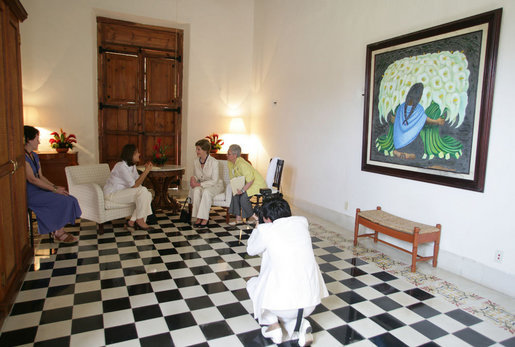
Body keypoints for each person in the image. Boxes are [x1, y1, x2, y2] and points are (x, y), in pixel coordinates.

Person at [246, 198, 328, 346]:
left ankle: (272, 325)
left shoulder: (267, 229)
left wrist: (258, 226)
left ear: (267, 219)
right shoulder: (302, 223)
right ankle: (300, 326)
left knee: (252, 284)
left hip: (282, 305)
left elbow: (251, 249)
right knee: (289, 303)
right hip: (310, 302)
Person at [24, 125, 82, 243]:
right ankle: (59, 233)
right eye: (37, 139)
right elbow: (32, 180)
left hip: (40, 188)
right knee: (61, 200)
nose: (39, 142)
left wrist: (55, 187)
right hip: (30, 193)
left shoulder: (34, 156)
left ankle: (58, 230)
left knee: (69, 198)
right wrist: (54, 190)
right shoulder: (23, 158)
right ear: (29, 140)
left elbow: (41, 177)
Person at [103, 144, 154, 230]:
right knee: (143, 191)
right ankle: (140, 220)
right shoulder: (121, 166)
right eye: (137, 152)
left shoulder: (132, 165)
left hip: (123, 193)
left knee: (147, 194)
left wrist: (145, 171)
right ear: (131, 155)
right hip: (112, 195)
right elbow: (134, 185)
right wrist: (146, 171)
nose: (139, 154)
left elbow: (138, 183)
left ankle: (132, 222)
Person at [391, 82, 445, 159]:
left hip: (399, 143)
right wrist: (437, 121)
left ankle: (398, 152)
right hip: (411, 142)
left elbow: (396, 119)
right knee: (420, 152)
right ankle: (407, 155)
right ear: (419, 97)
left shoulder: (401, 107)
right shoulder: (419, 108)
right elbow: (425, 119)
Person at [226, 144, 266, 225]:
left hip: (256, 183)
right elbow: (233, 178)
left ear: (235, 155)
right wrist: (236, 189)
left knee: (243, 198)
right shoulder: (230, 163)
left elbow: (251, 179)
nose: (227, 155)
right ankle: (238, 218)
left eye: (229, 154)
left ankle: (256, 218)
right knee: (235, 194)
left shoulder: (242, 164)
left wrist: (243, 190)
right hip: (246, 183)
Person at [189, 139, 224, 227]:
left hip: (215, 185)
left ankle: (205, 218)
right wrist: (193, 178)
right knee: (196, 190)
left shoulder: (214, 162)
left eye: (198, 149)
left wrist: (199, 184)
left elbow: (214, 180)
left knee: (206, 192)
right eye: (196, 149)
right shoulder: (195, 161)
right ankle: (198, 217)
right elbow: (196, 175)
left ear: (205, 150)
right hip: (202, 184)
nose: (196, 151)